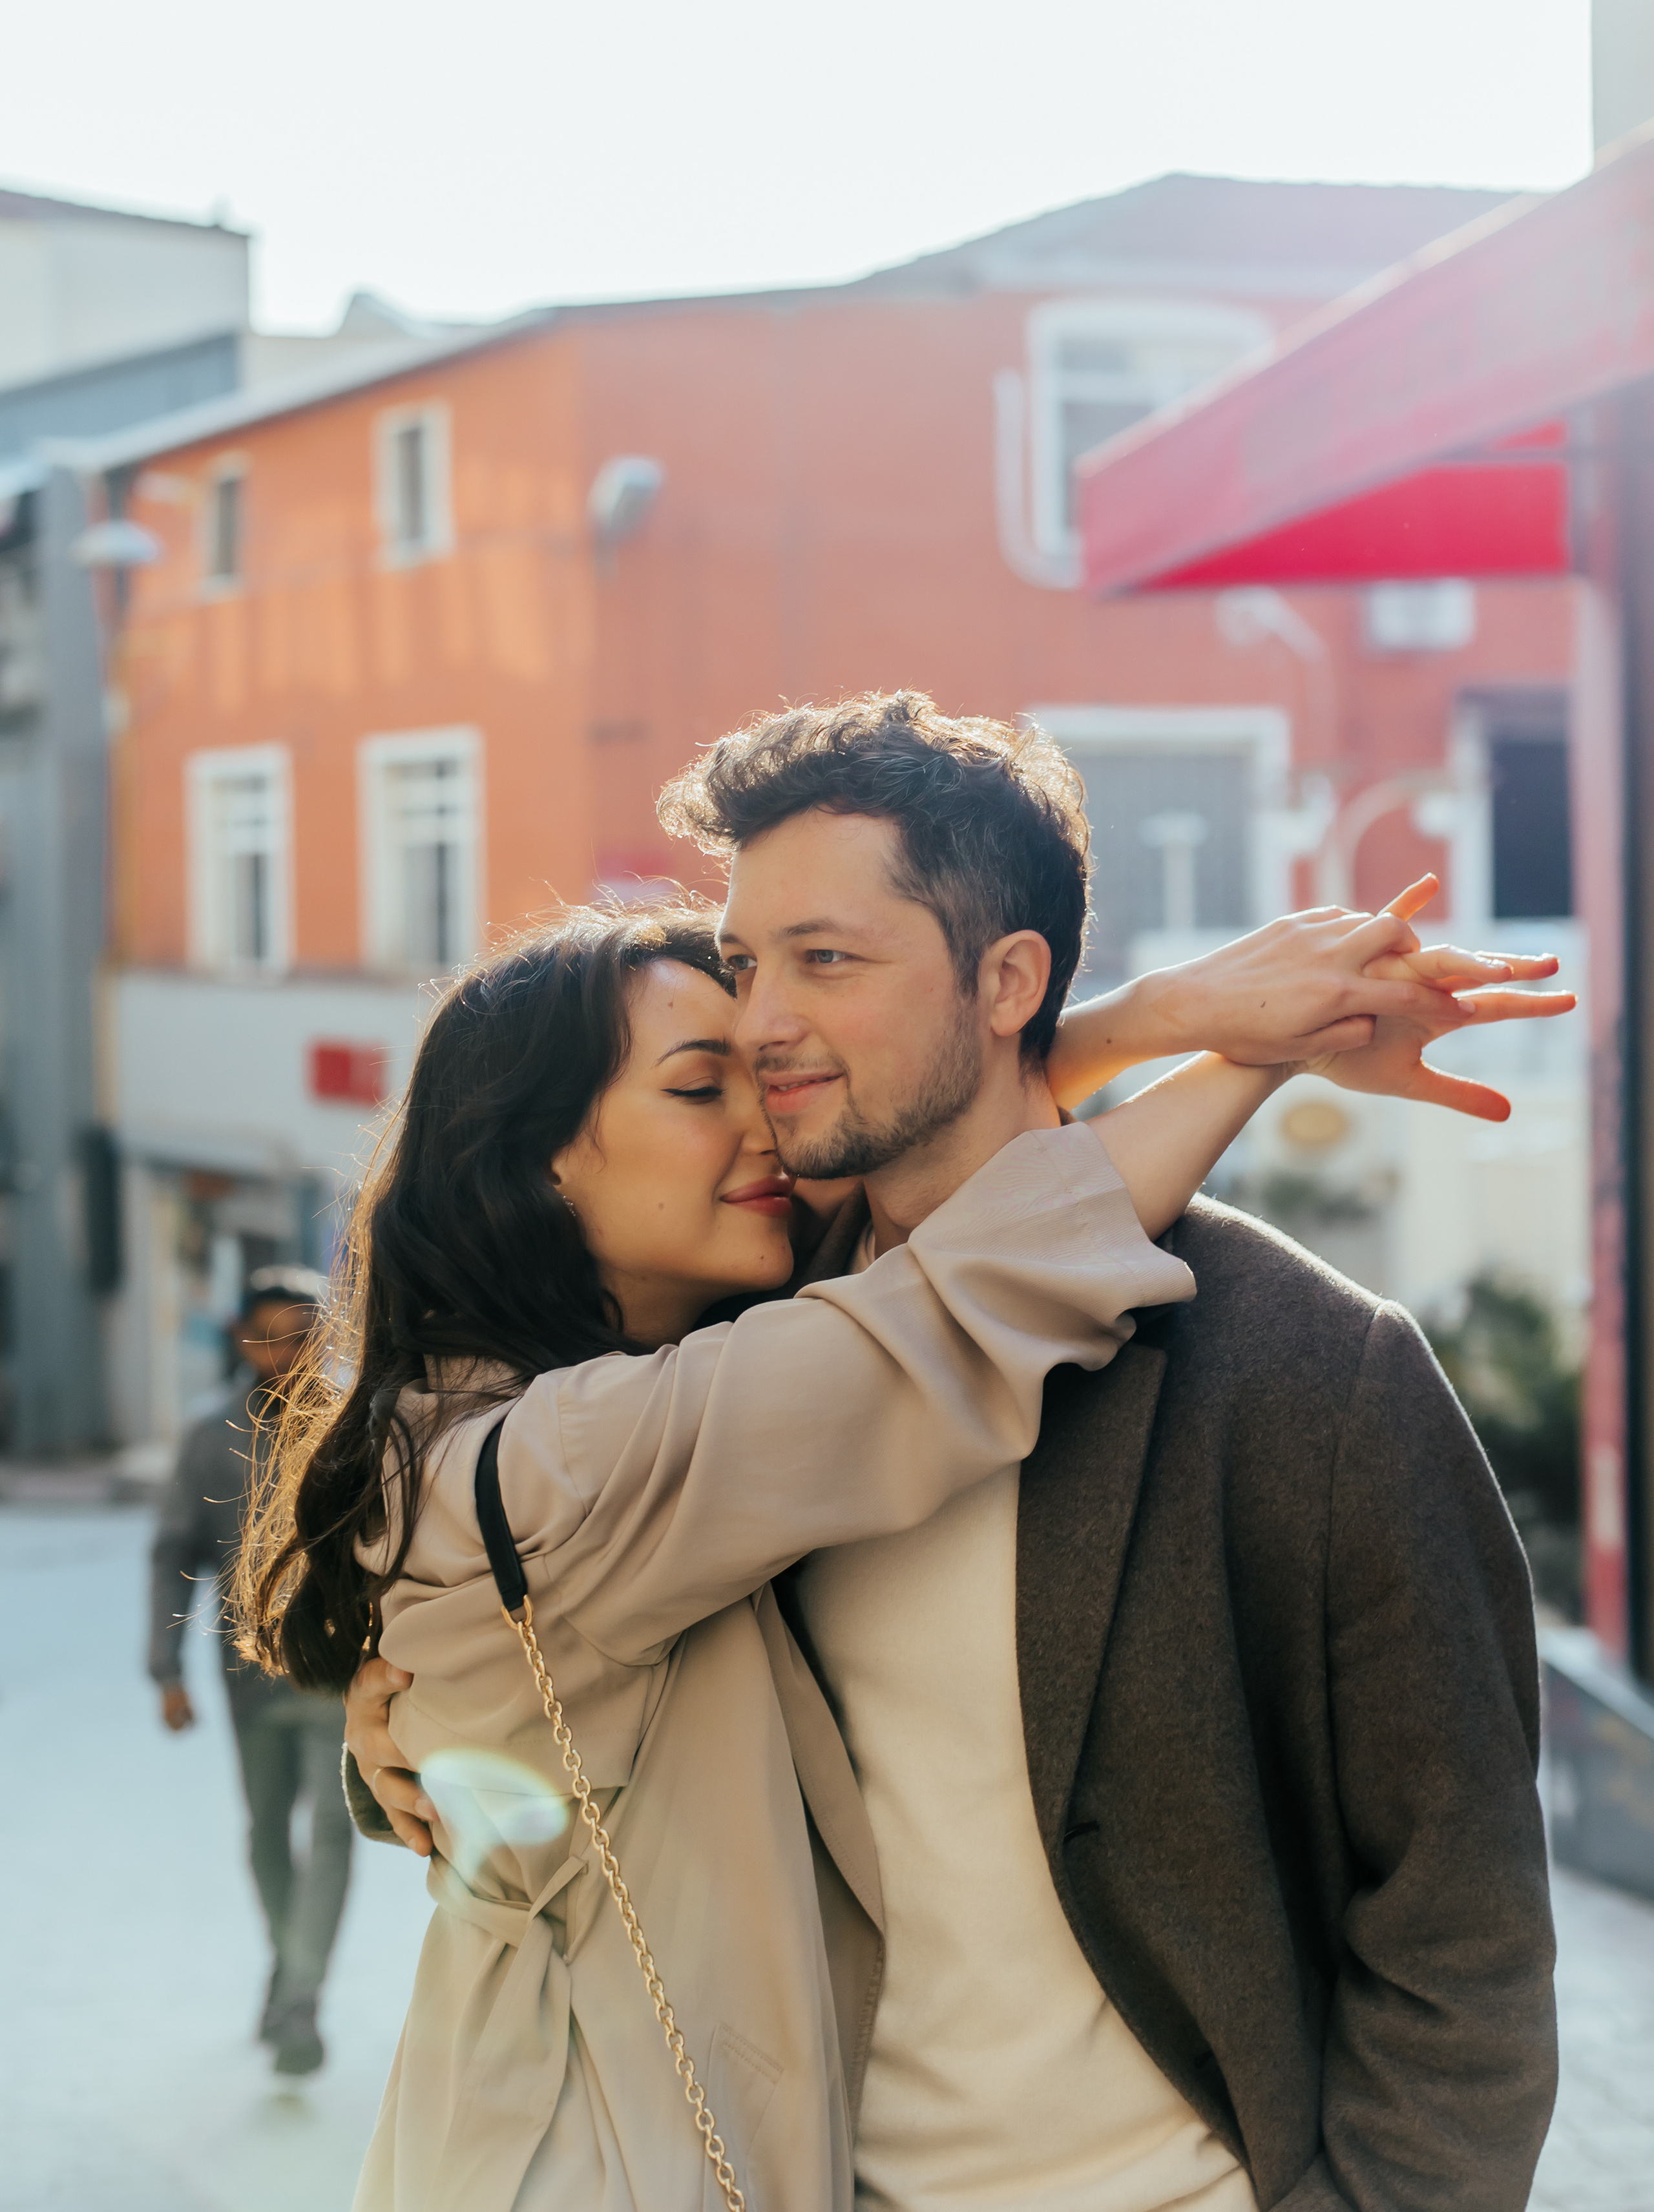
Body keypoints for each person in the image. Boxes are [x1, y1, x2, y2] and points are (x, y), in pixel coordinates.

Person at [348, 695, 1569, 2212]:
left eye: (824, 959)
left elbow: (1460, 1924)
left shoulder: (1307, 1369)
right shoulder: (725, 1342)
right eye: (745, 963)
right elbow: (561, 1633)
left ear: (1007, 981)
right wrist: (412, 1728)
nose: (758, 1022)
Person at [150, 1264, 352, 2080]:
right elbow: (174, 1554)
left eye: (300, 1337)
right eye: (267, 1338)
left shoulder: (357, 1423)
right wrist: (166, 1670)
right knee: (266, 1829)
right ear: (241, 1340)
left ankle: (300, 1997)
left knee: (334, 1832)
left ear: (324, 1338)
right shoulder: (210, 1439)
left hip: (340, 1670)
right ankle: (290, 1959)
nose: (284, 1354)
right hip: (250, 1678)